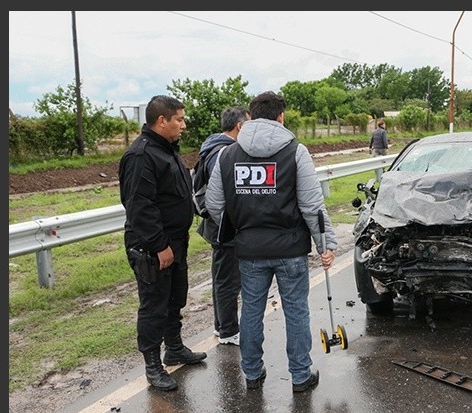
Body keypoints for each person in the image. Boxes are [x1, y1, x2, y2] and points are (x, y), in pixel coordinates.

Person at [205, 91, 338, 393]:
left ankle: (252, 374)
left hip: (250, 251)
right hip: (290, 249)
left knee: (251, 310)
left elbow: (214, 204)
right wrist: (325, 245)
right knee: (296, 310)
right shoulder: (295, 152)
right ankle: (301, 376)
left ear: (250, 117)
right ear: (281, 117)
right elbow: (311, 206)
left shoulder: (227, 155)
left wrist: (239, 227)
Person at [119, 95, 207, 392]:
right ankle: (153, 366)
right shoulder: (142, 155)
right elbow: (139, 206)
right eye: (179, 119)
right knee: (154, 304)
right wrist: (158, 245)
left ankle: (175, 348)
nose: (183, 125)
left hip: (174, 241)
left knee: (174, 298)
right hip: (153, 245)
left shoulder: (165, 150)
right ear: (161, 121)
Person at [196, 106, 250, 346]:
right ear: (240, 125)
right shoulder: (225, 153)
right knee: (228, 281)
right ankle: (229, 330)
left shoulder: (212, 146)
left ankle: (222, 327)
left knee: (221, 277)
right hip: (223, 226)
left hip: (214, 225)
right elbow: (228, 194)